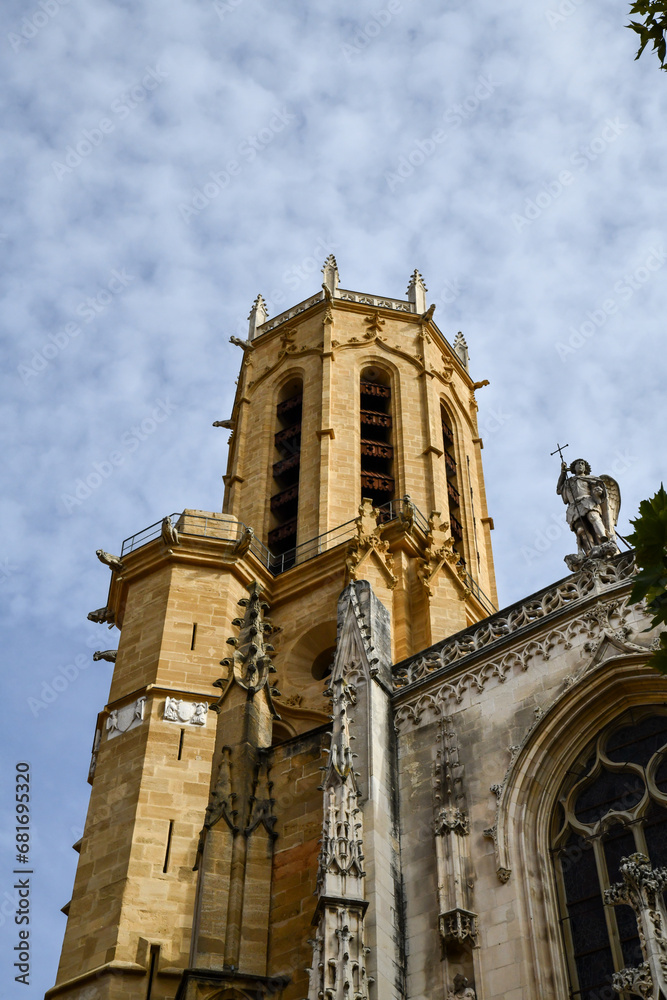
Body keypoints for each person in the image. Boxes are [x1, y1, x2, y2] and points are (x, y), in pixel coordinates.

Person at [556, 458, 615, 556]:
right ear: (573, 468)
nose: (580, 465)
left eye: (582, 463)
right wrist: (563, 472)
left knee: (593, 517)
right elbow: (559, 490)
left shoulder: (591, 479)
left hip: (588, 502)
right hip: (574, 507)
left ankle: (604, 538)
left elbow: (599, 493)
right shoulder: (568, 482)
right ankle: (590, 550)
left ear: (585, 467)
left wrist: (598, 492)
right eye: (577, 464)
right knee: (581, 530)